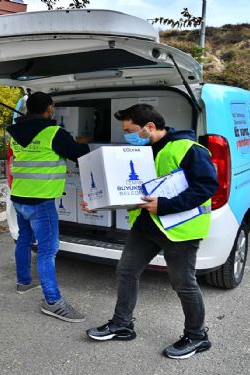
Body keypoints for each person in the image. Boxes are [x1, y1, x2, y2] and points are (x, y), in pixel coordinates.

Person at [84, 104, 219, 359]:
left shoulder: (190, 149)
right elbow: (129, 189)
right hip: (146, 225)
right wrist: (96, 200)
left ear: (149, 127)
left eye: (130, 130)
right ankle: (122, 324)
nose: (126, 135)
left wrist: (166, 205)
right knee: (126, 271)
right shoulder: (141, 151)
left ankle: (197, 336)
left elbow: (206, 186)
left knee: (183, 283)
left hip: (180, 230)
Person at [7, 92, 90, 323]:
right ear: (50, 108)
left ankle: (24, 282)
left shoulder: (14, 132)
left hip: (19, 197)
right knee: (47, 251)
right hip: (41, 202)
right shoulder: (54, 133)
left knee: (24, 238)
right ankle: (53, 302)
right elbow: (78, 154)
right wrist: (83, 143)